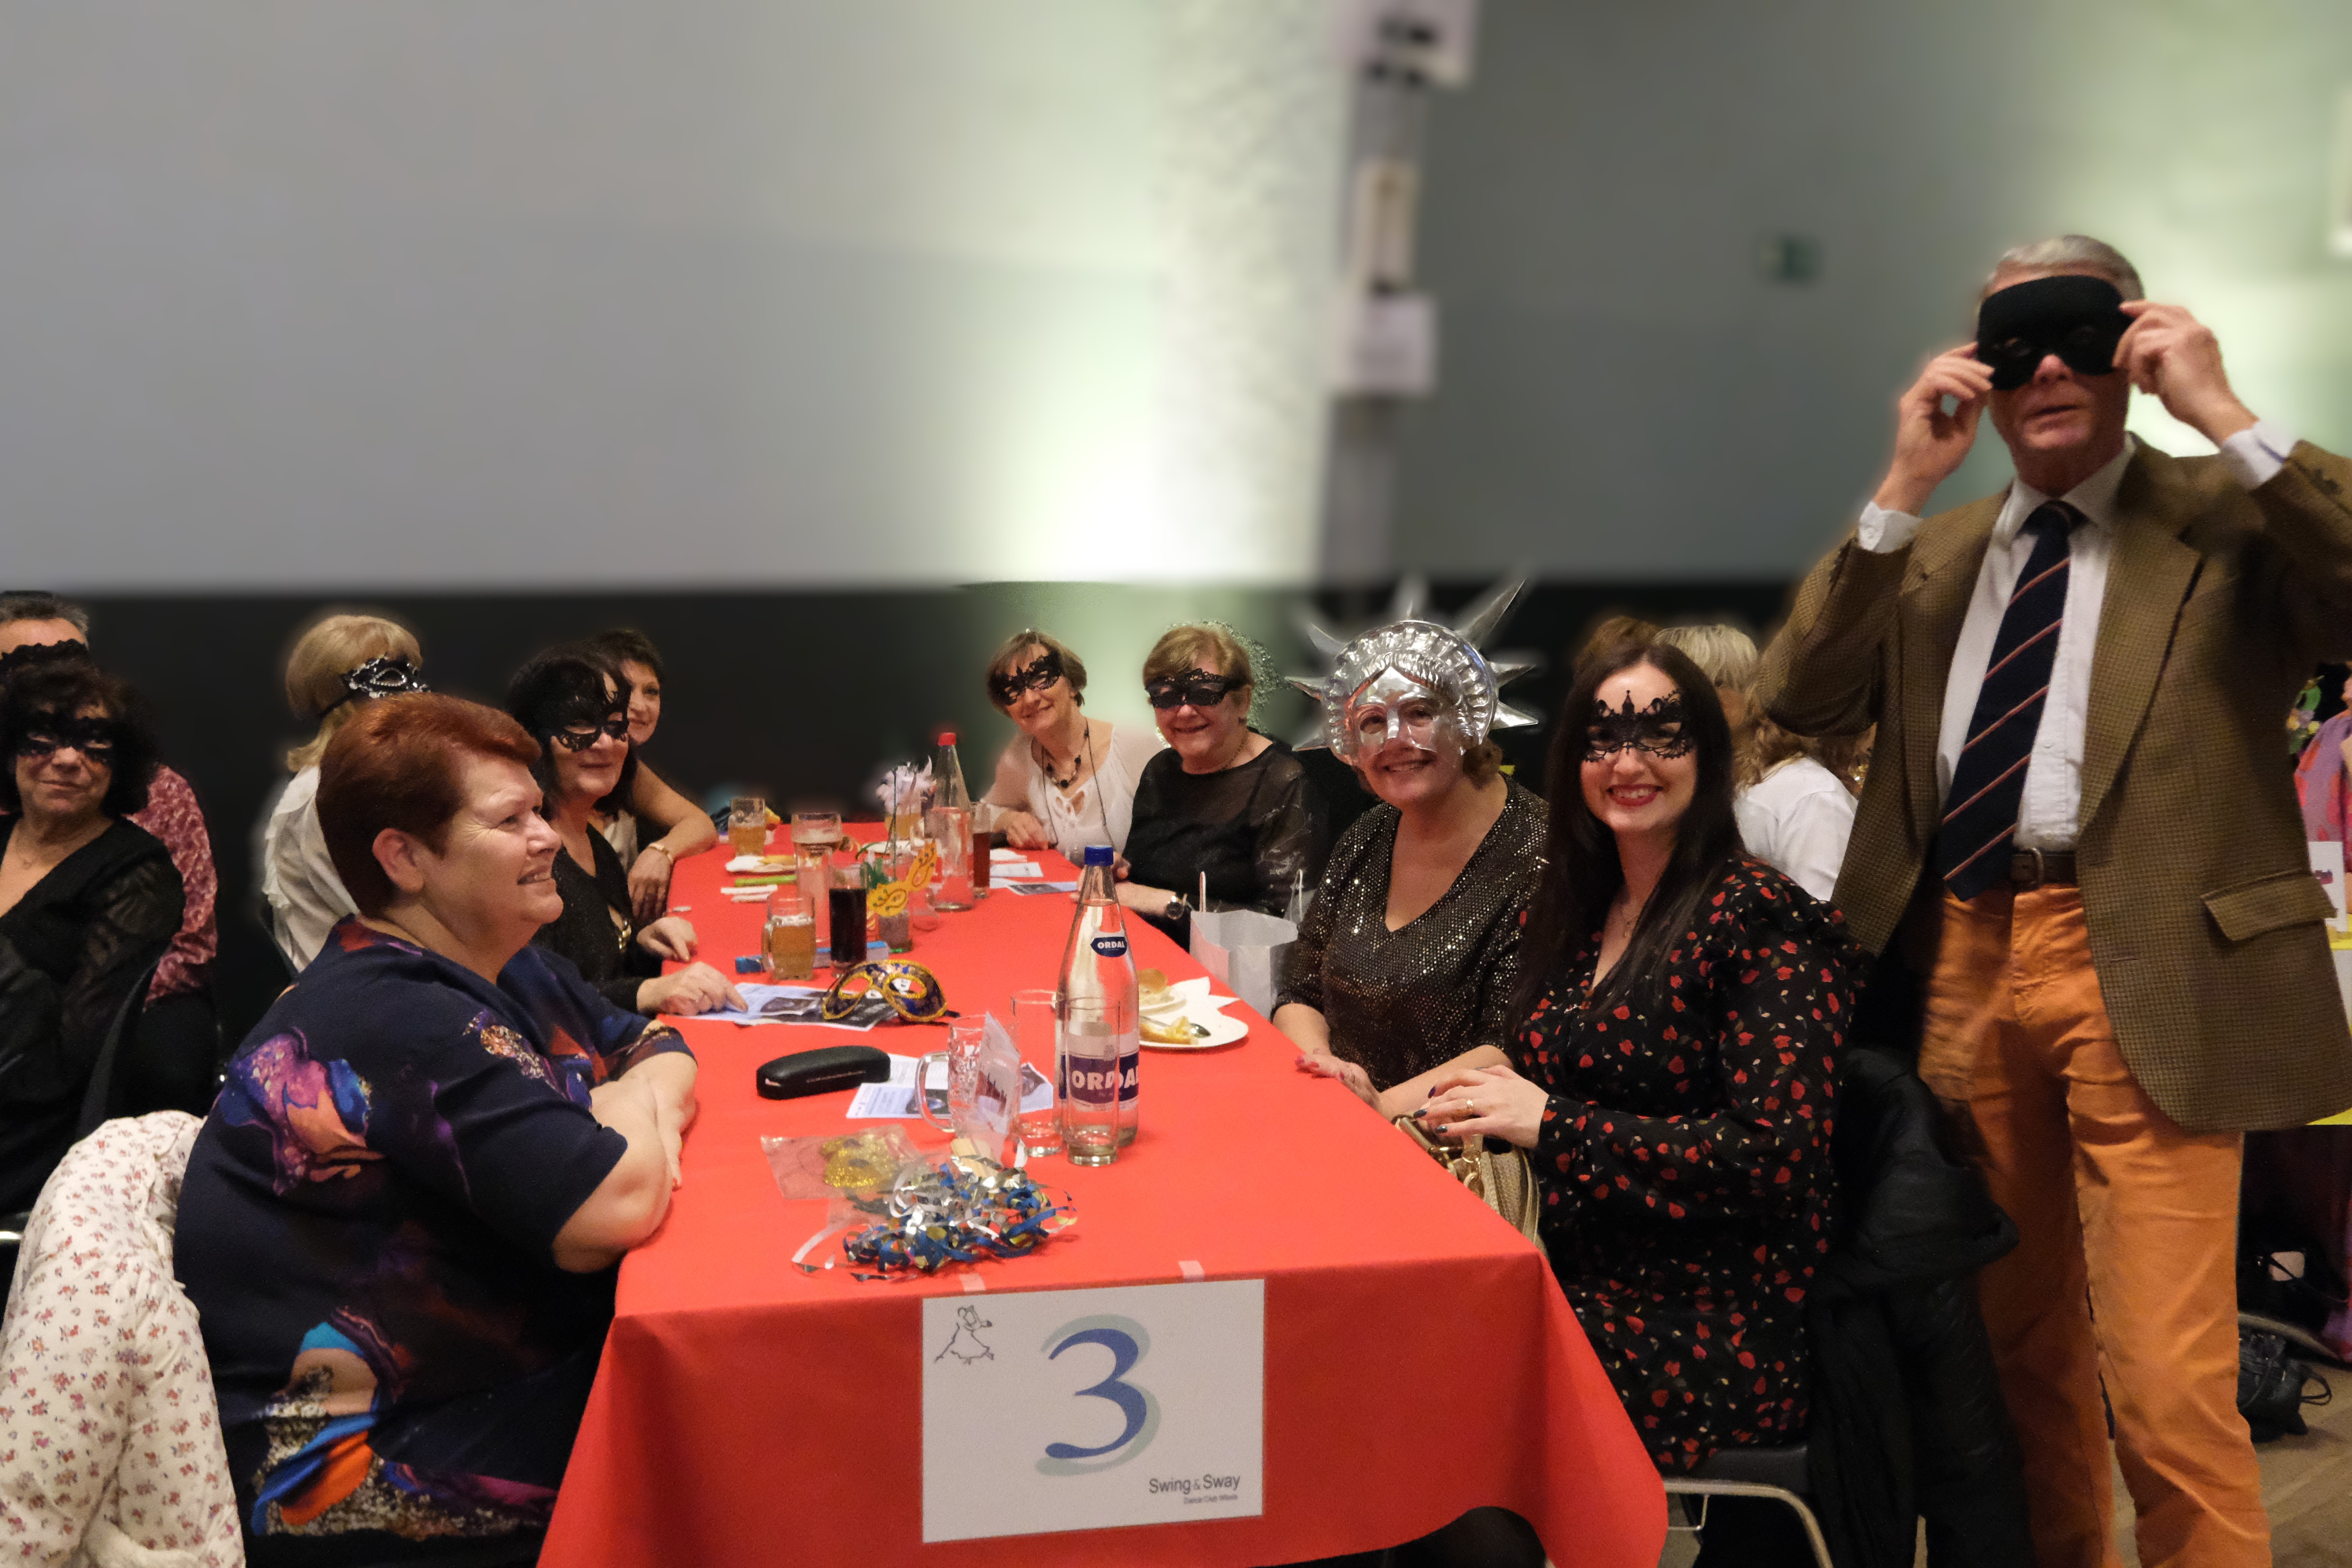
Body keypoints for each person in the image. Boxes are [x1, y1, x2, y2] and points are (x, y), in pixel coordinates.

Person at [1759, 234, 2352, 1568]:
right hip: (1964, 950)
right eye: (2010, 347)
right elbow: (1801, 695)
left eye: (2078, 338)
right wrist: (1904, 483)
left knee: (2164, 1373)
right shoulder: (1939, 551)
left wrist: (2224, 412)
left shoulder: (2226, 519)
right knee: (2014, 1354)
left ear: (2134, 348)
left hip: (2149, 953)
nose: (2044, 373)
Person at [176, 692, 697, 1563]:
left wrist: (631, 1105)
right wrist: (618, 1112)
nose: (547, 836)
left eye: (539, 810)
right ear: (405, 857)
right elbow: (612, 1209)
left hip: (483, 1379)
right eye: (511, 819)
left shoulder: (500, 957)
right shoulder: (392, 1013)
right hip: (364, 1465)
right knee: (720, 1437)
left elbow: (656, 1043)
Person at [1421, 635, 1855, 1567]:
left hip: (1706, 1320)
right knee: (1386, 1336)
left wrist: (1553, 1124)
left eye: (1662, 733)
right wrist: (1384, 1105)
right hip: (1571, 1275)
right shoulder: (1584, 912)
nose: (1629, 761)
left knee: (1427, 1387)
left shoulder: (1763, 920)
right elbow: (1527, 1058)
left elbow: (1775, 1156)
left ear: (1711, 752)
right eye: (1603, 737)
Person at [1275, 606, 1549, 1114]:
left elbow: (1511, 1044)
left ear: (1467, 719)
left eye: (1420, 713)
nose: (1395, 740)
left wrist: (1378, 1109)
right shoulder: (1369, 835)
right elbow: (1299, 990)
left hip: (1455, 1139)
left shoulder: (1541, 850)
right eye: (1373, 721)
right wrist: (1325, 1071)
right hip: (1339, 1116)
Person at [0, 593, 221, 1093]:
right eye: (31, 675)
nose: (66, 758)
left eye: (71, 667)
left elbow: (189, 945)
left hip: (132, 1002)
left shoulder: (161, 796)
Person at [0, 657, 184, 1213]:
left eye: (94, 742)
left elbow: (73, 1056)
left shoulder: (138, 872)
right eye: (43, 736)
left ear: (118, 763)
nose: (66, 758)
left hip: (30, 1120)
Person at [507, 646, 740, 1017]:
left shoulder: (595, 846)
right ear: (535, 736)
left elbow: (599, 968)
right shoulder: (529, 859)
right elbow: (539, 1003)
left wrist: (640, 945)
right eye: (580, 724)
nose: (604, 743)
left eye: (615, 725)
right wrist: (645, 991)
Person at [1119, 624, 1325, 943]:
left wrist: (1169, 904)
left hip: (1225, 969)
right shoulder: (1161, 769)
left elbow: (1285, 926)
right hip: (1146, 951)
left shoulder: (1281, 783)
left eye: (1204, 693)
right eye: (1166, 696)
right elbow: (1145, 877)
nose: (1184, 711)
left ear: (1243, 702)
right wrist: (1119, 871)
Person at [260, 612, 429, 973]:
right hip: (364, 983)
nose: (412, 692)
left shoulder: (394, 780)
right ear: (335, 696)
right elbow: (382, 922)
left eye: (412, 671)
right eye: (389, 676)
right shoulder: (320, 796)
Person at [980, 629, 1164, 859]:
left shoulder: (1132, 745)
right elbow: (977, 814)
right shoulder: (1020, 756)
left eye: (1041, 678)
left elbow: (1179, 833)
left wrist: (1131, 867)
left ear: (1072, 684)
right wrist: (1009, 819)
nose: (1030, 698)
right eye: (1013, 689)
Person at [585, 628, 717, 923]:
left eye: (651, 692)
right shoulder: (555, 778)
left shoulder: (628, 769)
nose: (640, 706)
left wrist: (660, 853)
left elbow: (700, 824)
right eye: (624, 690)